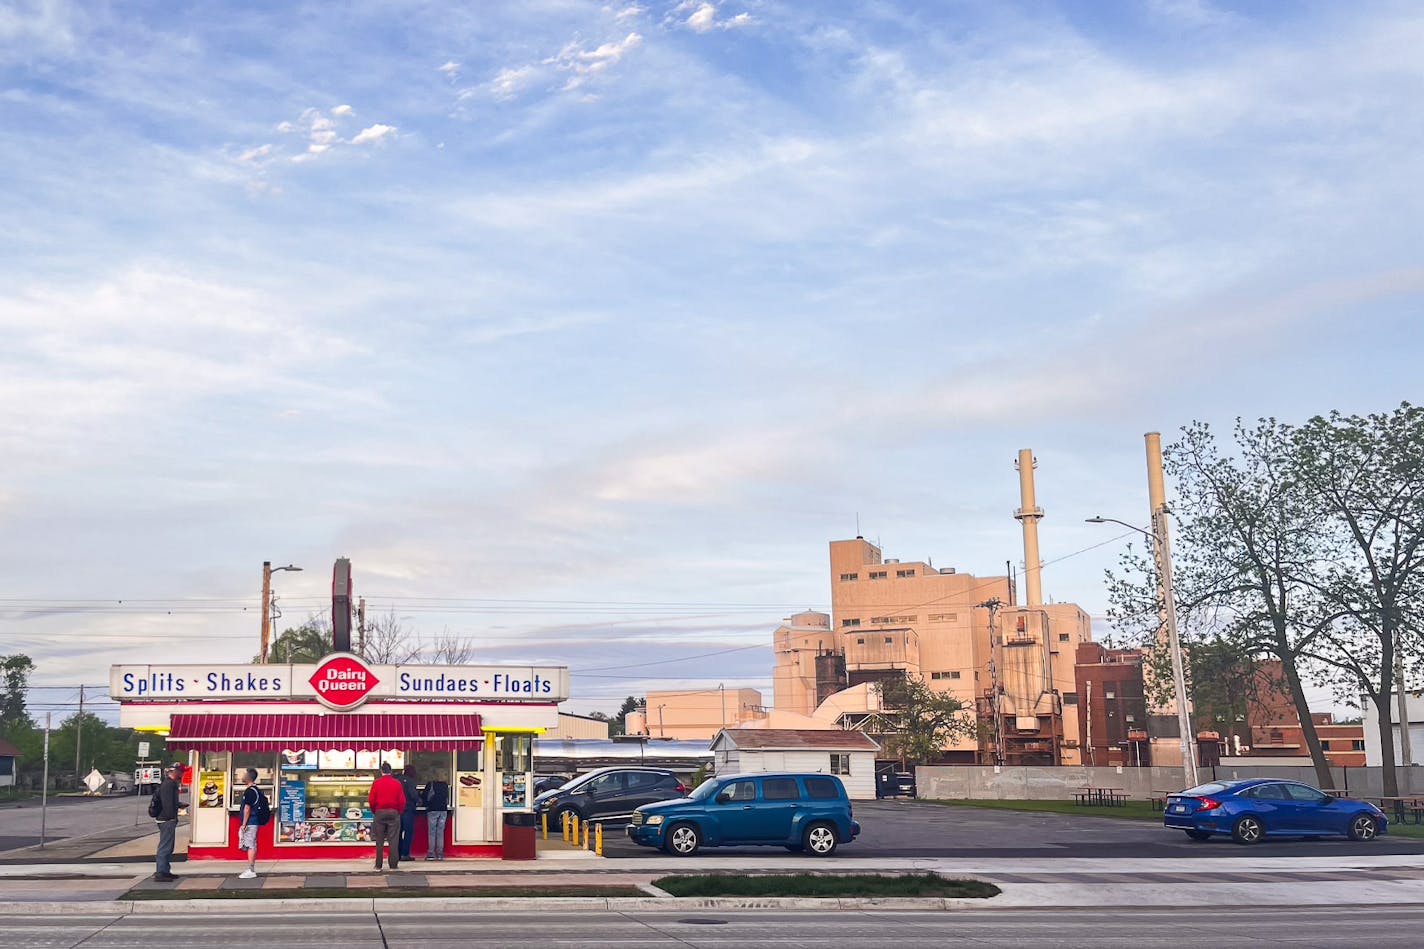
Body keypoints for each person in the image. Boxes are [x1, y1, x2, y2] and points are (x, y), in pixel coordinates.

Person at [368, 762, 406, 870]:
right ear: (391, 771)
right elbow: (402, 801)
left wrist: (375, 811)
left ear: (381, 771)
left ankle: (378, 865)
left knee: (379, 839)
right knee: (393, 840)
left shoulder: (376, 783)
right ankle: (393, 864)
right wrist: (399, 812)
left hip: (379, 812)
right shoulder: (397, 783)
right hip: (394, 812)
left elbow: (371, 800)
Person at [152, 762, 182, 882]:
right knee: (165, 846)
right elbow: (167, 802)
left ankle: (165, 870)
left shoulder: (168, 784)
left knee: (168, 846)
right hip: (166, 819)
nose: (181, 773)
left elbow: (168, 801)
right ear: (173, 771)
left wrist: (179, 805)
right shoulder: (169, 785)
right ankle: (161, 872)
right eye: (179, 771)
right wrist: (172, 817)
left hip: (165, 818)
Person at [237, 767, 262, 879]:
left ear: (248, 777)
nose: (242, 775)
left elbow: (247, 808)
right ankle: (250, 868)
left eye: (244, 774)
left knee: (251, 845)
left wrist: (244, 823)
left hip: (250, 822)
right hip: (252, 821)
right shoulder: (255, 789)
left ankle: (251, 870)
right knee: (250, 844)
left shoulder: (250, 791)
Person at [423, 769, 450, 860]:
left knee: (432, 832)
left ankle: (431, 853)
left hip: (432, 810)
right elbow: (446, 797)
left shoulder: (431, 784)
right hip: (443, 810)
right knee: (440, 832)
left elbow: (425, 797)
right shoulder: (445, 785)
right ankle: (440, 854)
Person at [398, 765, 420, 861]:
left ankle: (397, 853)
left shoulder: (397, 780)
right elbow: (413, 795)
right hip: (408, 809)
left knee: (398, 832)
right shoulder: (410, 781)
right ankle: (405, 853)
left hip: (398, 810)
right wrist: (419, 800)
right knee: (408, 832)